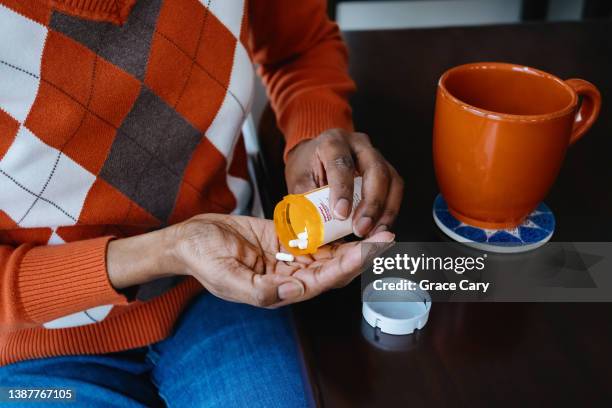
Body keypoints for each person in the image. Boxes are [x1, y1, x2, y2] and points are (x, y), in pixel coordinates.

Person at [0, 0, 403, 406]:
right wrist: (169, 250)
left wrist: (313, 135)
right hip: (36, 344)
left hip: (228, 284)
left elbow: (299, 45)